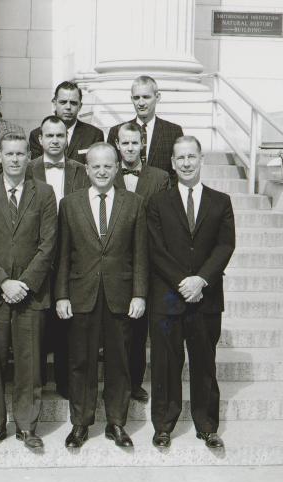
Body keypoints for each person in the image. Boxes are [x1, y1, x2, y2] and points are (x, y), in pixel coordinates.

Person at [55, 142, 148, 449]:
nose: (102, 171)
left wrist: (139, 294)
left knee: (119, 361)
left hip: (120, 295)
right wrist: (61, 296)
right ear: (87, 168)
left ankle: (116, 423)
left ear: (117, 167)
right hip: (82, 294)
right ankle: (80, 424)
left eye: (108, 165)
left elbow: (140, 254)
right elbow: (63, 255)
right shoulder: (70, 204)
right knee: (80, 361)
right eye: (95, 165)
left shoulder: (133, 203)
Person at [0, 133, 58, 451]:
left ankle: (26, 426)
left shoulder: (45, 193)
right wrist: (3, 282)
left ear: (28, 156)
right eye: (9, 154)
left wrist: (25, 283)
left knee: (30, 363)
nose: (15, 159)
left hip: (31, 294)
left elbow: (48, 245)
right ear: (0, 156)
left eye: (21, 154)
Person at [147, 136, 235, 450]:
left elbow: (225, 245)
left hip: (205, 298)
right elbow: (155, 250)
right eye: (180, 158)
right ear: (172, 163)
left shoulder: (220, 201)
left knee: (204, 363)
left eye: (192, 157)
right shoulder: (157, 202)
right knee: (165, 364)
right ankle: (164, 425)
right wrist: (183, 281)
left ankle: (207, 425)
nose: (186, 163)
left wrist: (201, 280)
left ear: (200, 159)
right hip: (168, 296)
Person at [28, 115, 90, 399]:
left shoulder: (81, 171)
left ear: (68, 140)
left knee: (68, 324)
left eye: (60, 136)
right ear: (40, 140)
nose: (55, 141)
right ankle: (35, 385)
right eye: (49, 136)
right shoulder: (26, 169)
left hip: (72, 256)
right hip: (35, 258)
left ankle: (67, 384)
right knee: (36, 325)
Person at [113, 121, 170, 403]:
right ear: (117, 145)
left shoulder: (159, 178)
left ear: (143, 145)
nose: (130, 148)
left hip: (147, 260)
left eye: (135, 143)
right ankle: (116, 383)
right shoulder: (106, 173)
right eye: (125, 143)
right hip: (114, 261)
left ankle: (134, 383)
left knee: (138, 329)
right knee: (116, 328)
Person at [107, 75, 183, 177]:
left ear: (157, 97)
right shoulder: (116, 131)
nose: (141, 103)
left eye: (146, 97)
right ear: (131, 99)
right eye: (136, 98)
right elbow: (110, 169)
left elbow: (177, 172)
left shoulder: (173, 132)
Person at [30, 81, 104, 163]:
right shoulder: (37, 135)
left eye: (73, 103)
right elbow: (36, 171)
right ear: (54, 104)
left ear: (80, 106)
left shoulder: (94, 135)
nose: (68, 107)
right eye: (63, 102)